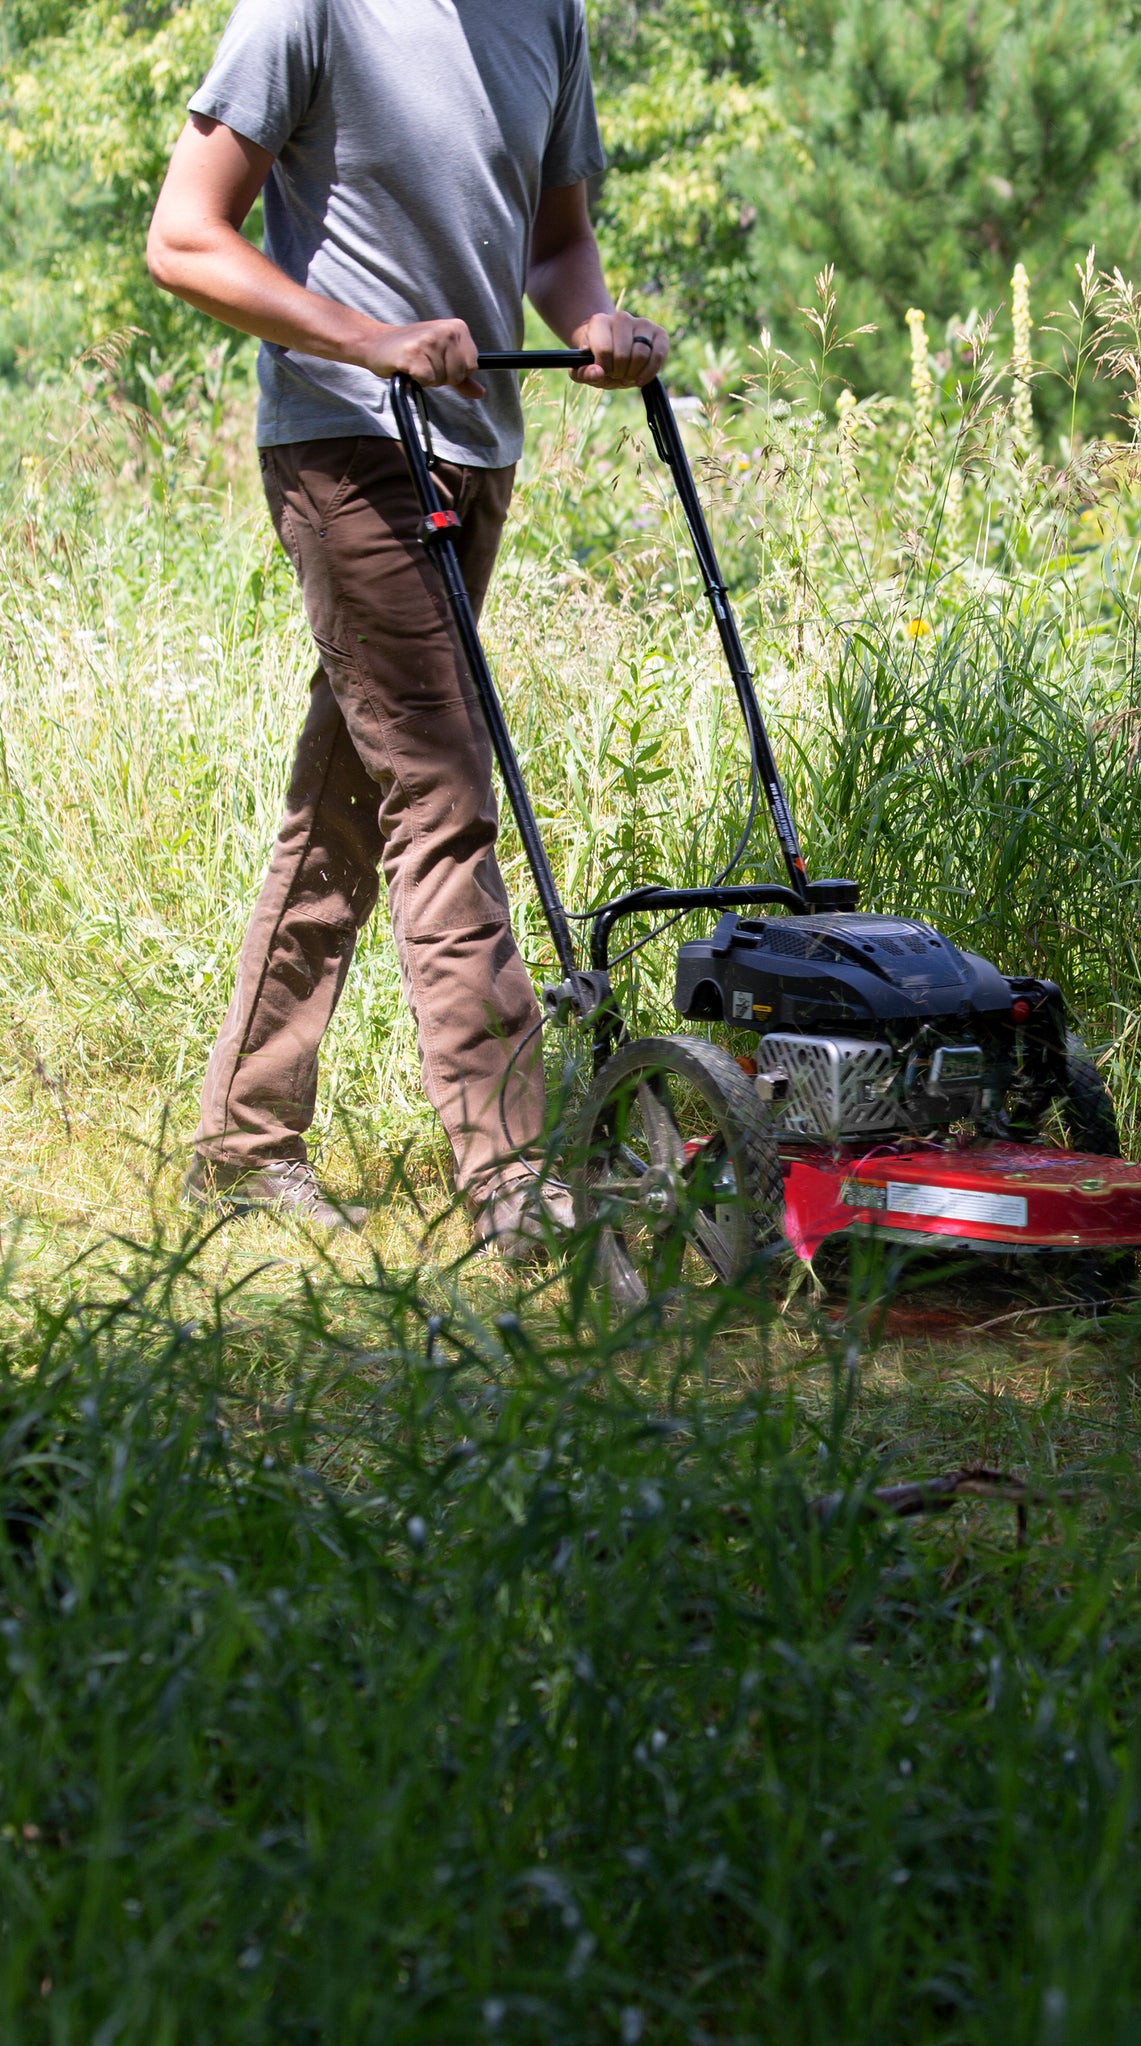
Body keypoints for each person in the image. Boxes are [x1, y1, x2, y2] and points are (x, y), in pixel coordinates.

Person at [146, 0, 668, 1257]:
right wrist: (368, 339)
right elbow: (183, 239)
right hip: (346, 442)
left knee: (350, 797)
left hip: (475, 443)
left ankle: (243, 1136)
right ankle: (518, 1176)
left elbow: (554, 246)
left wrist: (593, 320)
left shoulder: (544, 13)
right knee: (441, 794)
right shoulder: (307, 9)